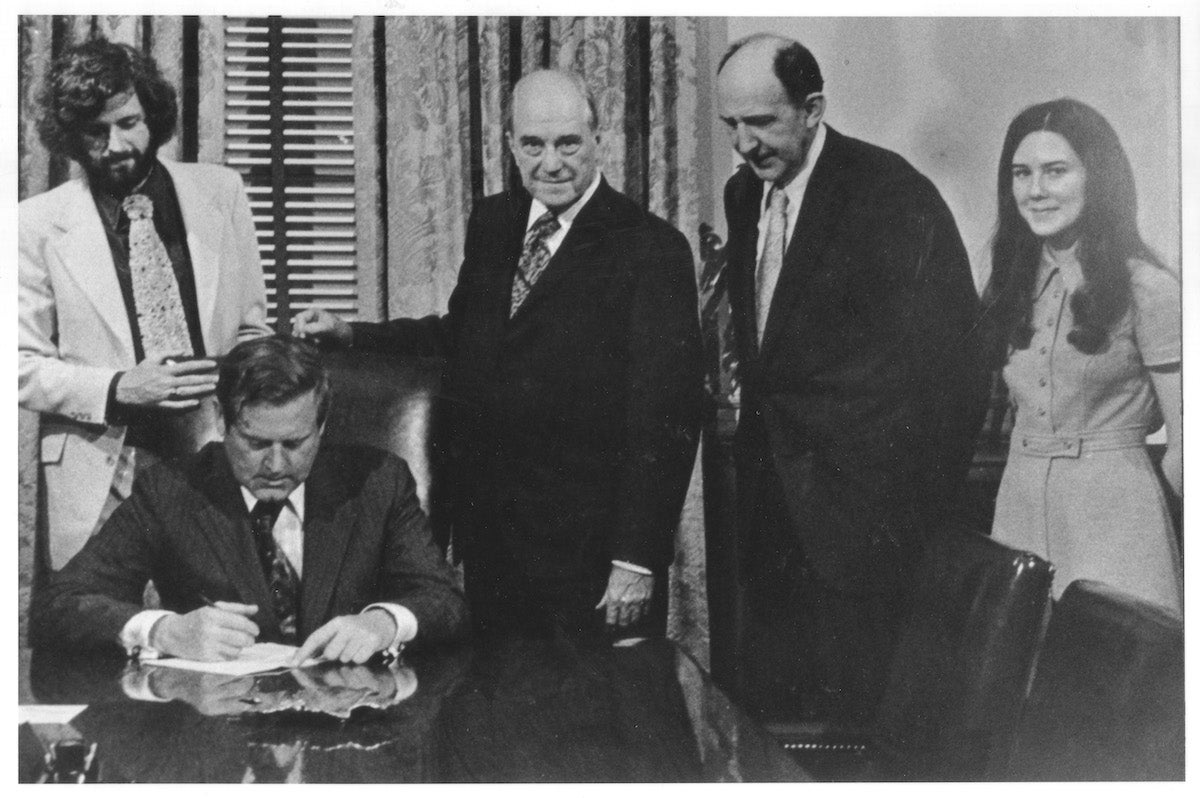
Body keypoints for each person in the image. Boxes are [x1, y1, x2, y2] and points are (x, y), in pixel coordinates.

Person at [293, 69, 703, 640]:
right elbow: (464, 335)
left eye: (569, 144)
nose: (551, 163)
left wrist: (635, 561)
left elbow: (667, 419)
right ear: (509, 144)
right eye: (533, 145)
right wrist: (352, 334)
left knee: (596, 720)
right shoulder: (495, 221)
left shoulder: (651, 248)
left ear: (598, 139)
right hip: (491, 543)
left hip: (591, 555)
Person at [714, 34, 988, 723]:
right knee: (773, 728)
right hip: (769, 525)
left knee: (857, 733)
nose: (744, 144)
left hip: (865, 534)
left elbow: (957, 367)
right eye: (732, 126)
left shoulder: (892, 195)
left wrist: (908, 514)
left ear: (812, 109)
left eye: (762, 122)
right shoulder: (743, 194)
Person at [30, 336, 469, 663]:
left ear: (322, 425)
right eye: (256, 443)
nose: (276, 465)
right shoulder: (171, 489)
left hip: (347, 733)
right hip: (218, 743)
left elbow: (443, 598)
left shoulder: (377, 481)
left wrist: (383, 623)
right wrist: (165, 631)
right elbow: (61, 603)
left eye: (295, 443)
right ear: (222, 422)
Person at [19, 38, 270, 574]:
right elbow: (17, 365)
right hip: (100, 474)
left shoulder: (221, 194)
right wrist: (117, 388)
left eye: (128, 122)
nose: (115, 145)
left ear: (153, 115)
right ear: (69, 137)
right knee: (100, 631)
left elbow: (251, 330)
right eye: (94, 131)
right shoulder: (33, 225)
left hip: (217, 461)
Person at [983, 98, 1182, 614]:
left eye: (1056, 171)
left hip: (1114, 514)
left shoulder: (1150, 289)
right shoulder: (1009, 285)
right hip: (1019, 507)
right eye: (1021, 173)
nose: (1035, 191)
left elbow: (1187, 449)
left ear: (1099, 179)